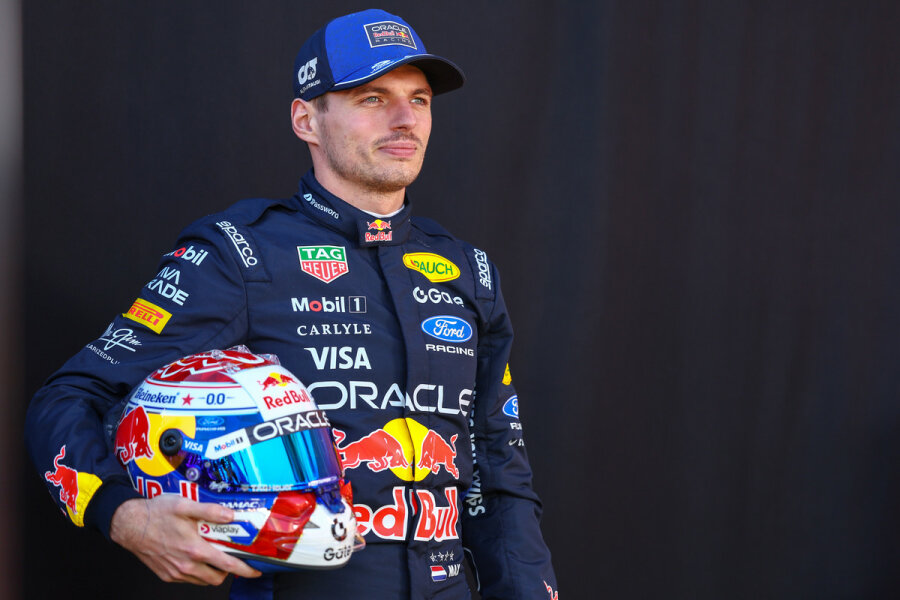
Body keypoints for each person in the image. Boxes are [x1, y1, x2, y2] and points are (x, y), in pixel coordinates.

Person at [26, 8, 558, 599]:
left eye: (420, 99)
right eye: (373, 98)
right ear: (307, 120)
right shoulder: (240, 255)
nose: (406, 119)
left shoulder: (468, 271)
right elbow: (68, 398)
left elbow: (499, 478)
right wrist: (124, 516)